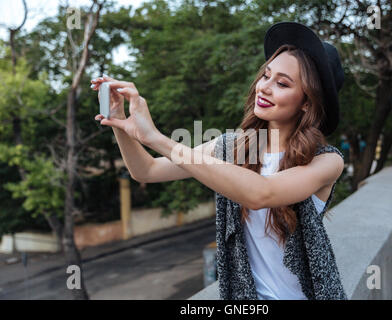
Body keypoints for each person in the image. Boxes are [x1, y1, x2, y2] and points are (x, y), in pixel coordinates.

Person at [90, 21, 347, 300]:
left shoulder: (327, 161)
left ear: (307, 102)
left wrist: (155, 137)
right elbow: (147, 171)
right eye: (266, 76)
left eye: (282, 83)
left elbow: (262, 193)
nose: (265, 87)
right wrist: (120, 124)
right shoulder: (230, 147)